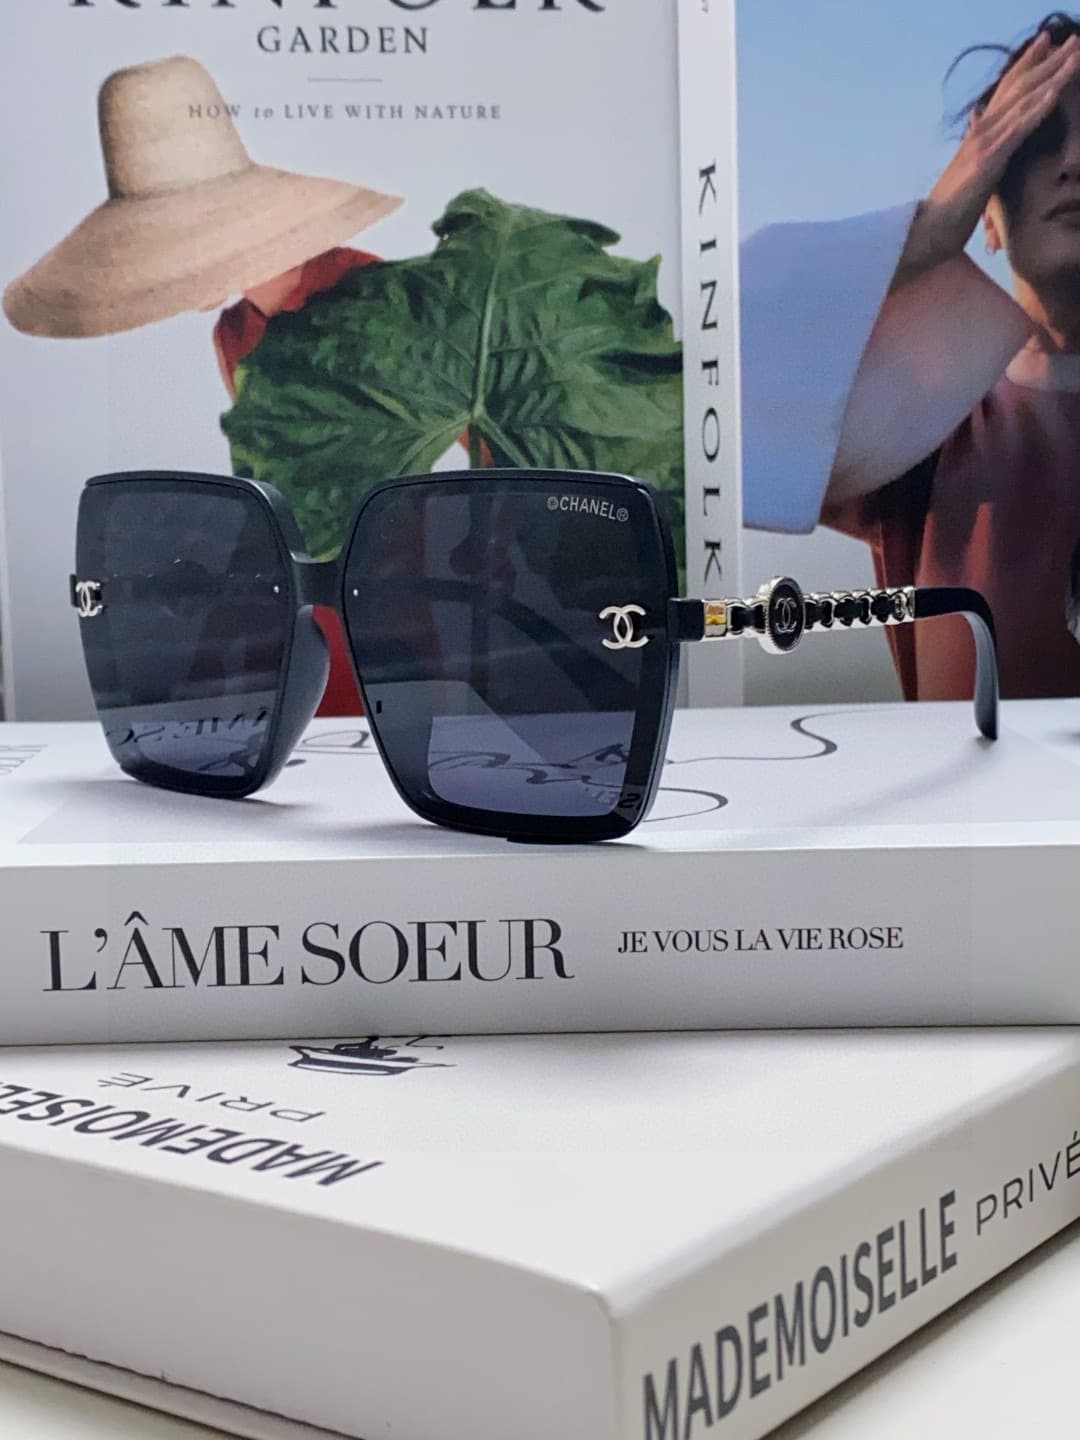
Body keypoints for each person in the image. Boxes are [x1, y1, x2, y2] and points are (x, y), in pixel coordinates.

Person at [741, 13, 1080, 700]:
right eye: (1036, 136)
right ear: (987, 214)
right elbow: (707, 396)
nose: (1074, 162)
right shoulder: (930, 425)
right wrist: (927, 230)